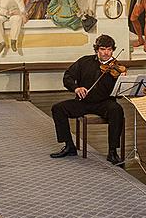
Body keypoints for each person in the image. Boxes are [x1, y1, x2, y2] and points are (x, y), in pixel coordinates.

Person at [50, 34, 125, 164]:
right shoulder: (84, 61)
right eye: (103, 49)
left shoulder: (116, 68)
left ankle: (112, 152)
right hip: (83, 102)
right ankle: (69, 146)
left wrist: (121, 80)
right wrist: (76, 88)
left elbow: (119, 93)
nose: (106, 53)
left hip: (105, 103)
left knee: (117, 110)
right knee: (58, 108)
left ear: (113, 50)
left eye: (109, 49)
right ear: (96, 50)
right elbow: (67, 76)